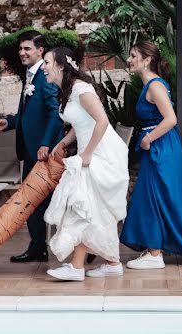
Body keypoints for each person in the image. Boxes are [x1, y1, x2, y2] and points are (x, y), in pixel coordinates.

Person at [120, 41, 182, 269]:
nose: (129, 60)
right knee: (151, 197)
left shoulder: (155, 86)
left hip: (162, 148)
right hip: (159, 147)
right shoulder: (149, 85)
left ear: (146, 60)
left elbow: (171, 119)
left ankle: (155, 254)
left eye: (133, 56)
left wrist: (148, 138)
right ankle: (153, 249)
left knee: (157, 197)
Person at [40, 47, 129, 281]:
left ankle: (77, 267)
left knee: (82, 205)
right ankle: (112, 263)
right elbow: (82, 123)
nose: (43, 67)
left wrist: (87, 154)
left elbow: (102, 121)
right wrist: (63, 142)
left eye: (47, 62)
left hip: (102, 151)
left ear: (60, 65)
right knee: (92, 207)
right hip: (88, 149)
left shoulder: (81, 89)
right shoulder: (69, 90)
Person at [0, 30, 64, 263]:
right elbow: (29, 114)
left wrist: (45, 144)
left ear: (40, 51)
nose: (22, 53)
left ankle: (85, 245)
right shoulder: (30, 76)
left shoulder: (45, 77)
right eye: (20, 49)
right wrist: (10, 122)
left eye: (27, 49)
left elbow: (55, 114)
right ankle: (37, 247)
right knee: (33, 201)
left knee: (60, 201)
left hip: (45, 153)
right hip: (32, 151)